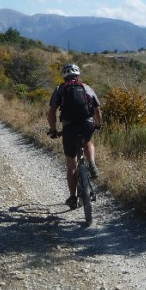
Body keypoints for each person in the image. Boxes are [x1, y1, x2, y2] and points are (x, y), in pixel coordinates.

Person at [47, 64, 102, 209]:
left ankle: (72, 197)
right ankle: (92, 164)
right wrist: (98, 124)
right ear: (78, 76)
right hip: (87, 124)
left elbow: (51, 113)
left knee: (72, 165)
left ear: (64, 77)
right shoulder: (86, 88)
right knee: (88, 141)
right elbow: (97, 110)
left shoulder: (60, 89)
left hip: (69, 128)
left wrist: (53, 130)